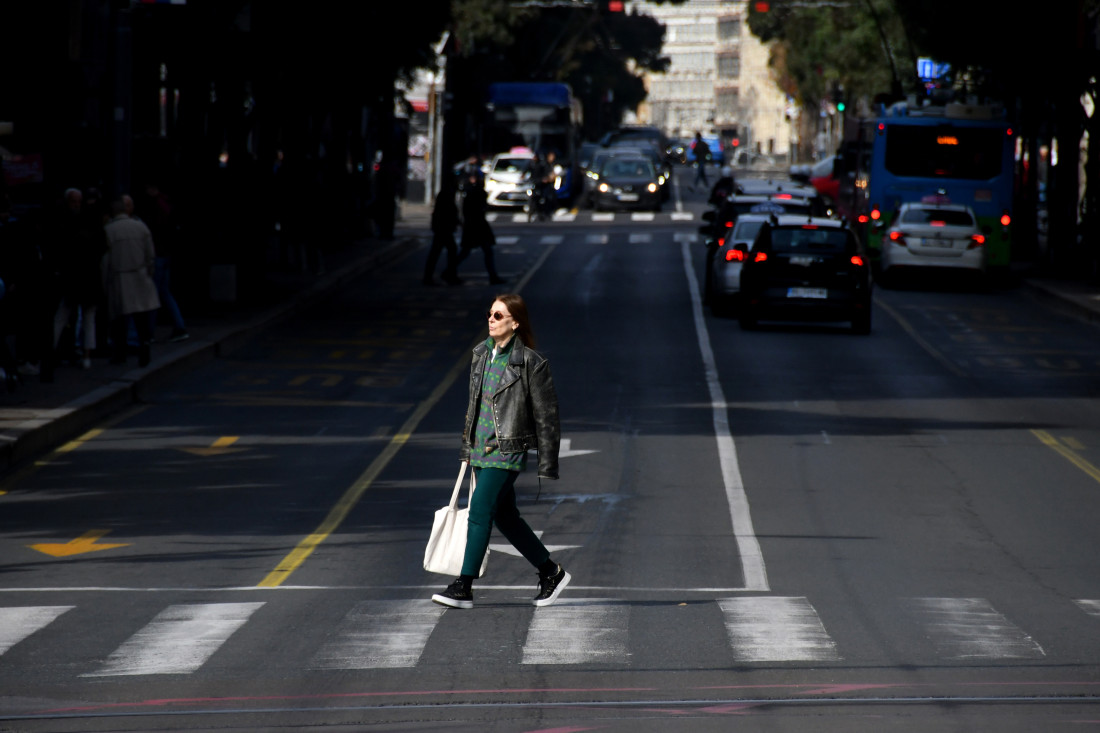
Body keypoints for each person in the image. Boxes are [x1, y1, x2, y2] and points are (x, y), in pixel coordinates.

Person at [432, 293, 570, 609]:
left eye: (498, 316)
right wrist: (467, 446)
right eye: (490, 314)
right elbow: (475, 405)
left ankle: (464, 585)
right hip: (480, 448)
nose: (491, 320)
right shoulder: (481, 354)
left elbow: (547, 415)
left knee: (480, 511)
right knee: (505, 516)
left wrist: (547, 464)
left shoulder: (530, 363)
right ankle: (551, 571)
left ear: (515, 322)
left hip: (507, 450)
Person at [103, 196, 160, 367]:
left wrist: (105, 281)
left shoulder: (109, 230)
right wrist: (148, 272)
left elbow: (106, 261)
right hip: (140, 276)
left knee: (120, 320)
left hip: (120, 278)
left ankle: (119, 354)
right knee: (141, 319)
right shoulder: (140, 227)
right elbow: (150, 255)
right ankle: (144, 351)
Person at [139, 182, 188, 342]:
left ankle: (149, 332)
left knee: (154, 293)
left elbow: (155, 229)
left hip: (159, 252)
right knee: (164, 292)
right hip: (166, 252)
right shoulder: (166, 204)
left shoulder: (156, 207)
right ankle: (178, 326)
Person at [456, 173, 505, 285]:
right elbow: (475, 210)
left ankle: (493, 276)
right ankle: (493, 276)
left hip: (474, 225)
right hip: (477, 226)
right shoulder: (476, 192)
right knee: (477, 251)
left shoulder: (472, 192)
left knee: (476, 251)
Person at [423, 176, 461, 286]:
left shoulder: (445, 194)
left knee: (439, 252)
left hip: (443, 228)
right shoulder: (446, 195)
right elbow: (446, 213)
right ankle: (448, 275)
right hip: (443, 229)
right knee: (441, 252)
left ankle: (443, 275)